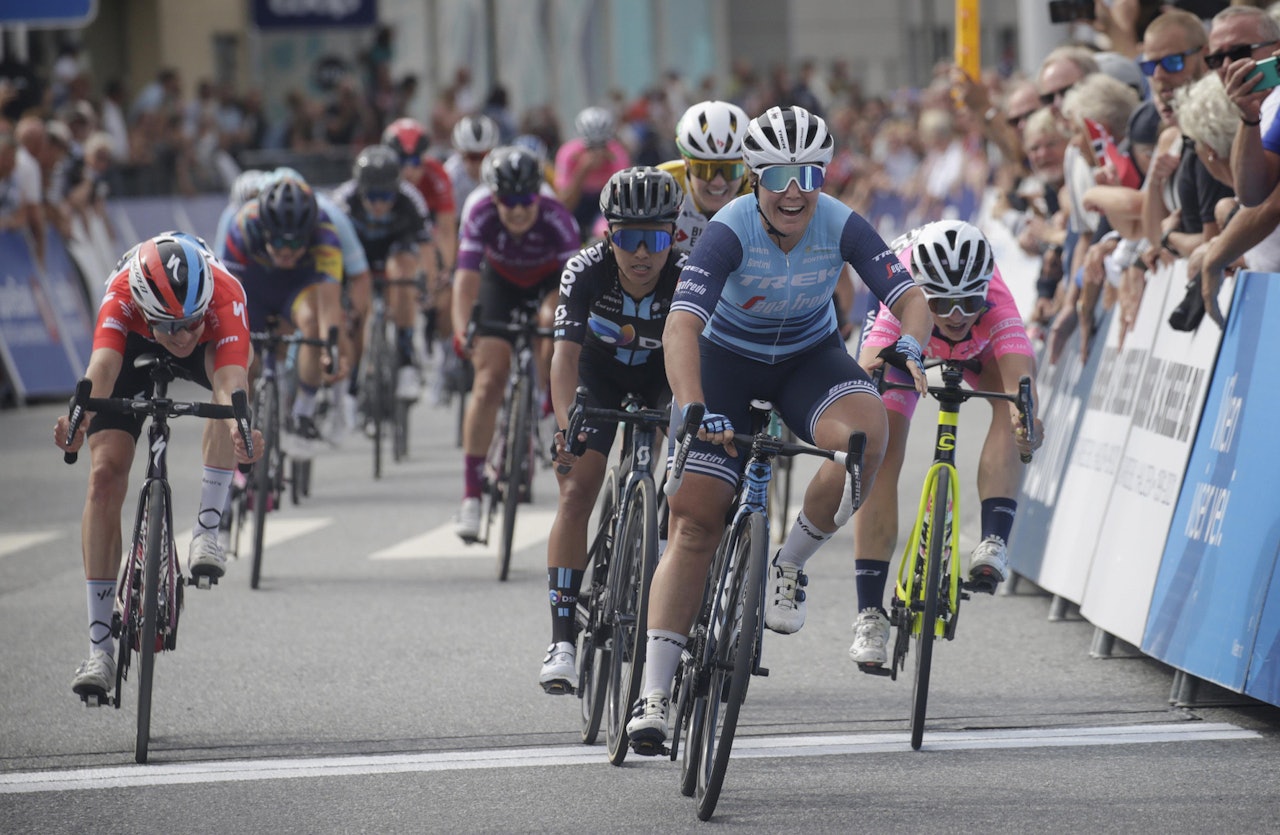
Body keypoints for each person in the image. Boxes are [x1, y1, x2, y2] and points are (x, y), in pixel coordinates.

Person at [624, 106, 934, 751]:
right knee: (695, 521)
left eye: (810, 173)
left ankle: (788, 563)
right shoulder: (729, 230)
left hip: (805, 360)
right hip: (727, 364)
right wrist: (690, 404)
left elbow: (909, 299)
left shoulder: (840, 222)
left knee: (865, 436)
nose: (795, 189)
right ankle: (653, 693)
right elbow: (682, 325)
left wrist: (909, 341)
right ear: (754, 177)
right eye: (779, 174)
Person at [54, 234, 263, 701]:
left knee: (231, 408)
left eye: (191, 322)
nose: (183, 335)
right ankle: (99, 648)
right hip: (131, 347)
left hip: (214, 350)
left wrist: (240, 427)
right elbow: (103, 370)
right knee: (104, 477)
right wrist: (79, 417)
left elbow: (230, 381)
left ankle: (209, 528)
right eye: (172, 326)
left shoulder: (223, 294)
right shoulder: (122, 296)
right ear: (146, 308)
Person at [849, 220, 1046, 671]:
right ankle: (869, 614)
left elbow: (1023, 381)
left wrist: (1027, 421)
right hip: (908, 339)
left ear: (984, 291)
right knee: (880, 444)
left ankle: (995, 538)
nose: (956, 315)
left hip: (979, 350)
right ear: (923, 291)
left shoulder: (994, 297)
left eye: (968, 303)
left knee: (1014, 408)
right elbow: (864, 375)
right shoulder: (903, 296)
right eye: (943, 302)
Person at [538, 167, 687, 693]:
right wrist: (565, 428)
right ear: (608, 236)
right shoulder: (585, 270)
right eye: (628, 238)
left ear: (675, 235)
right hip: (596, 375)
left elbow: (702, 362)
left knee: (691, 482)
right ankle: (562, 642)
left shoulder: (687, 274)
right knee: (577, 489)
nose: (642, 253)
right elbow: (564, 357)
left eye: (656, 238)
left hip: (663, 377)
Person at [451, 146, 581, 540]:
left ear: (537, 196)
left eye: (526, 199)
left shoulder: (557, 216)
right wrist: (462, 331)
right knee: (489, 379)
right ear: (494, 198)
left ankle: (544, 406)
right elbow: (466, 279)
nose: (519, 209)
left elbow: (574, 286)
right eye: (509, 201)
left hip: (547, 285)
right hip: (500, 283)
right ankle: (471, 497)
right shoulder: (479, 212)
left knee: (549, 324)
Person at [217, 173, 351, 456]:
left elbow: (329, 302)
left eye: (295, 244)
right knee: (244, 360)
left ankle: (303, 412)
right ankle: (240, 430)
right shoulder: (242, 225)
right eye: (278, 243)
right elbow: (227, 296)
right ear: (264, 231)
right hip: (252, 287)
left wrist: (329, 349)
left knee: (313, 323)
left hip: (297, 288)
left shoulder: (326, 232)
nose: (286, 251)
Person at [330, 145, 435, 404]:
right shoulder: (342, 201)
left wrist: (426, 288)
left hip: (395, 252)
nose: (379, 204)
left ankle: (406, 359)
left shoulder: (411, 200)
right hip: (356, 259)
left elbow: (426, 250)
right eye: (372, 196)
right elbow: (328, 254)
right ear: (360, 190)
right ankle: (352, 383)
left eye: (386, 197)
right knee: (356, 315)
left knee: (403, 273)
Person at [383, 117, 459, 403]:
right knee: (400, 269)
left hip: (426, 235)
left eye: (416, 160)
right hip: (392, 236)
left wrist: (445, 269)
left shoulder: (437, 175)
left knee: (443, 280)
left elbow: (447, 229)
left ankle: (438, 350)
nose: (409, 168)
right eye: (402, 160)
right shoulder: (383, 172)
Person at [657, 99, 752, 252]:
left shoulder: (759, 191)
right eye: (705, 170)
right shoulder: (662, 185)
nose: (718, 182)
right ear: (685, 162)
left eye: (731, 170)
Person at [554, 106, 632, 239]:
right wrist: (582, 169)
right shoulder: (568, 153)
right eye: (591, 147)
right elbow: (565, 203)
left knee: (604, 231)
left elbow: (624, 200)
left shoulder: (617, 153)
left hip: (605, 201)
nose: (596, 152)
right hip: (578, 201)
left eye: (601, 145)